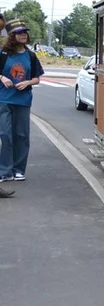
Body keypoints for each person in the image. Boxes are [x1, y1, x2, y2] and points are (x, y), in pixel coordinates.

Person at [0, 20, 45, 185]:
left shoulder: (31, 56)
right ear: (12, 36)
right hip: (4, 99)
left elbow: (37, 78)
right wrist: (2, 77)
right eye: (19, 33)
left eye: (25, 32)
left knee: (21, 135)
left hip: (23, 100)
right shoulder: (3, 54)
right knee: (5, 135)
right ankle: (5, 171)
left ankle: (19, 170)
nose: (23, 35)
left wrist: (27, 83)